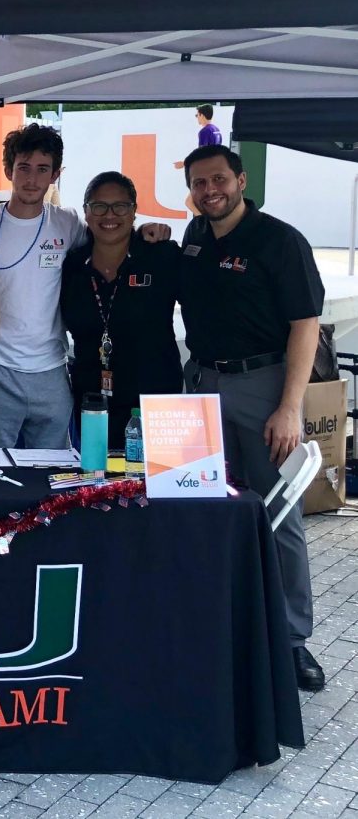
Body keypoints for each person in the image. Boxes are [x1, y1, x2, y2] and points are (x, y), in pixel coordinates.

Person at [180, 143, 326, 692]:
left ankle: (292, 642)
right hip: (204, 385)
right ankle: (221, 624)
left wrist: (290, 407)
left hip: (264, 388)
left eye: (219, 179)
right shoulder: (195, 237)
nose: (210, 190)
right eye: (199, 182)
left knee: (277, 515)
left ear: (241, 180)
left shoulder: (279, 240)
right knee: (214, 508)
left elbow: (306, 324)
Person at [0, 123, 170, 450]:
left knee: (52, 472)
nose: (32, 179)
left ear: (55, 175)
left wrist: (145, 231)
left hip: (52, 370)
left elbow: (109, 235)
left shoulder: (66, 223)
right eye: (23, 168)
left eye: (42, 169)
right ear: (9, 170)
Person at [61, 172, 183, 448]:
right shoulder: (72, 265)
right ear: (86, 212)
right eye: (99, 206)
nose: (109, 215)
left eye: (120, 206)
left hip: (153, 400)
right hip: (92, 401)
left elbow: (202, 308)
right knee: (95, 481)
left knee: (150, 486)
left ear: (134, 211)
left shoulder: (161, 257)